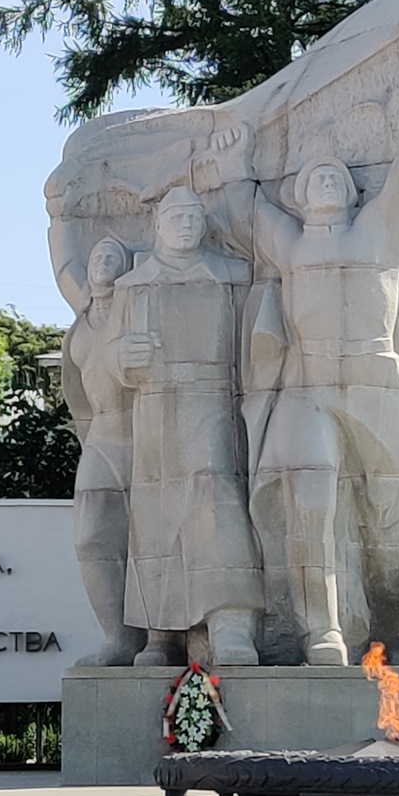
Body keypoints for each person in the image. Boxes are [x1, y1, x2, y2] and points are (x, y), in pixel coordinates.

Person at [201, 29, 399, 665]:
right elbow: (242, 204)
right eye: (314, 177)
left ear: (353, 192)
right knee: (310, 501)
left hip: (378, 389)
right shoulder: (292, 247)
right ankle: (320, 628)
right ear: (299, 196)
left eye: (335, 176)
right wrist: (233, 154)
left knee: (386, 524)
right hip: (309, 391)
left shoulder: (382, 233)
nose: (325, 181)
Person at [110, 186, 264, 666]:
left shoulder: (233, 276)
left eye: (194, 216)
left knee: (214, 497)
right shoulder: (133, 285)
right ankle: (161, 633)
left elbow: (259, 345)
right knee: (154, 518)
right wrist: (123, 358)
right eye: (176, 216)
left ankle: (230, 622)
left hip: (213, 400)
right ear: (158, 224)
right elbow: (111, 358)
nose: (186, 224)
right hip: (154, 407)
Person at [62, 237, 144, 665]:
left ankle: (154, 638)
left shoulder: (134, 312)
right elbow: (63, 258)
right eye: (97, 255)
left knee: (147, 538)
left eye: (113, 256)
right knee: (92, 536)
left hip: (141, 433)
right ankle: (118, 636)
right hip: (100, 436)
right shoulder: (81, 319)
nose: (103, 263)